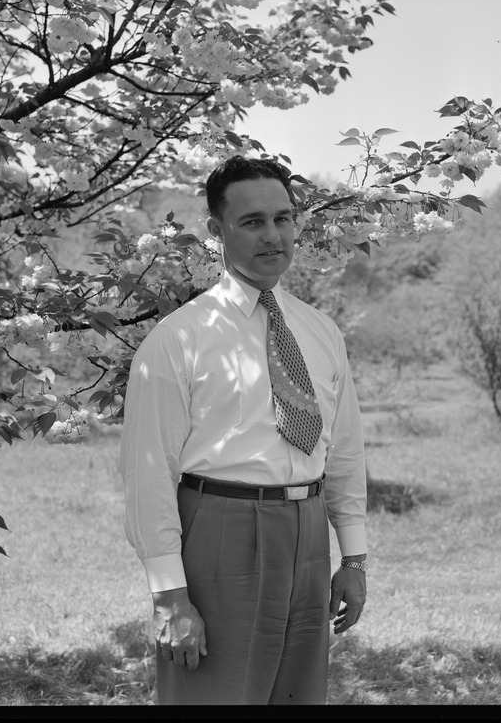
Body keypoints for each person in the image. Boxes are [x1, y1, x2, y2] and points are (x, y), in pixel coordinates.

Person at [119, 156, 368, 705]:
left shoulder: (320, 331)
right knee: (214, 695)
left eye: (283, 219)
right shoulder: (178, 338)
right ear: (217, 231)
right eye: (252, 221)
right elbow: (147, 472)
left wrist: (353, 557)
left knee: (297, 697)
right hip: (220, 533)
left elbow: (344, 451)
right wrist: (170, 597)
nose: (273, 235)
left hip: (308, 532)